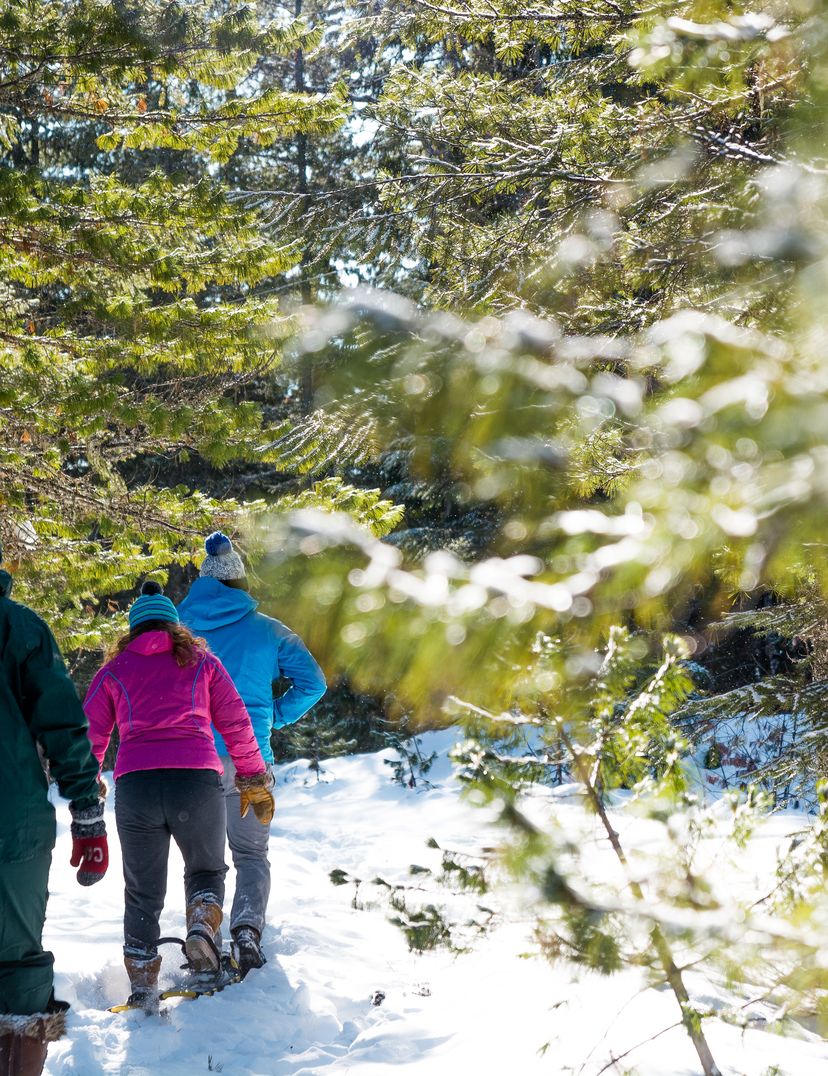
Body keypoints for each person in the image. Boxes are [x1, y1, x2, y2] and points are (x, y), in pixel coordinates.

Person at [83, 581, 274, 1012]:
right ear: (175, 627)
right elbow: (237, 721)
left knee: (142, 891)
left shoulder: (114, 671)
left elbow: (90, 736)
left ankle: (143, 981)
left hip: (137, 788)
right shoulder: (202, 662)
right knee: (206, 872)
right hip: (196, 782)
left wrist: (86, 784)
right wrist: (251, 775)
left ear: (132, 630)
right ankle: (202, 935)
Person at [178, 532, 326, 975]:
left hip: (191, 761)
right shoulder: (268, 629)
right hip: (249, 761)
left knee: (203, 864)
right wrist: (274, 717)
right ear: (240, 582)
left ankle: (203, 932)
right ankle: (246, 930)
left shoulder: (179, 633)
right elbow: (314, 682)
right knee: (250, 855)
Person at [0, 544, 108, 1076]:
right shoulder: (18, 627)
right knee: (16, 960)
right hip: (10, 823)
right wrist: (86, 810)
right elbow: (62, 725)